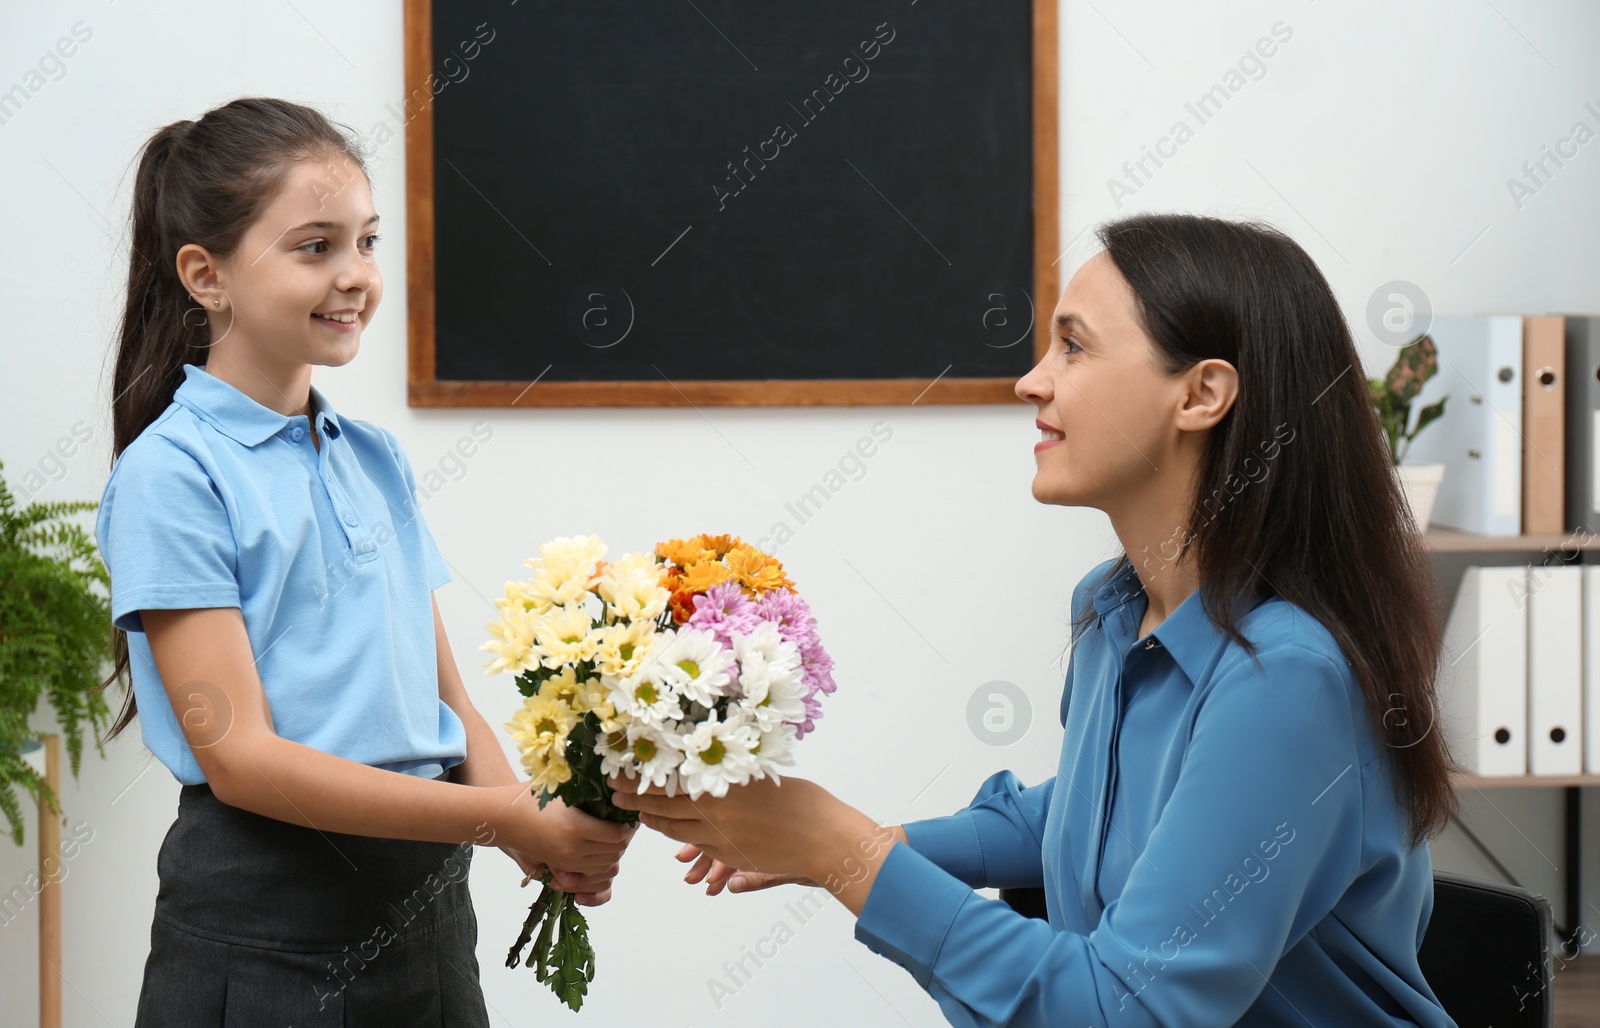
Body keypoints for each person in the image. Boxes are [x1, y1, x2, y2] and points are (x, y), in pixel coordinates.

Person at [613, 213, 1461, 1026]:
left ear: (1202, 394)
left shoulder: (1287, 681)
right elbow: (1085, 811)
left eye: (1075, 345)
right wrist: (843, 839)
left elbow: (1118, 1011)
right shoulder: (1114, 606)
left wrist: (849, 856)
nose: (1032, 379)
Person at [93, 97, 634, 1026]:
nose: (356, 276)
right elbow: (244, 763)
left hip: (425, 914)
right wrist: (503, 819)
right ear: (204, 274)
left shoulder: (372, 455)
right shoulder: (171, 476)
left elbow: (447, 702)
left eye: (368, 242)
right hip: (266, 929)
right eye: (315, 247)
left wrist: (536, 833)